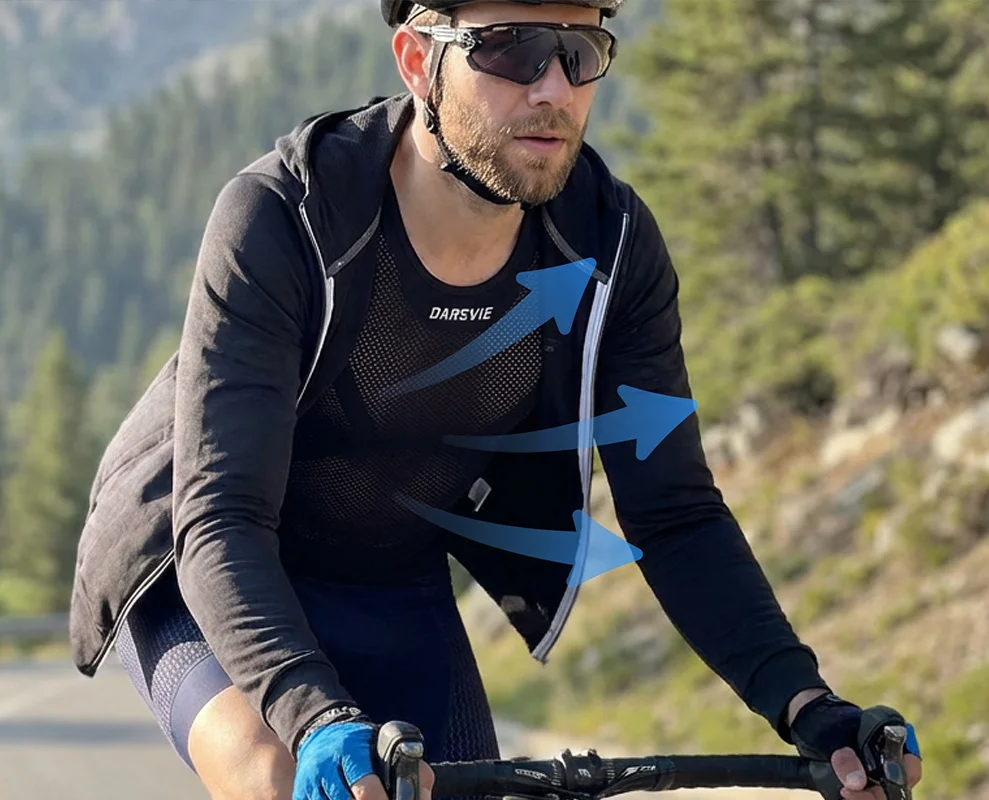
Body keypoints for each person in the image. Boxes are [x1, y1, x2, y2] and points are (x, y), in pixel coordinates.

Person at [66, 2, 925, 800]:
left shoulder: (612, 247)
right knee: (277, 772)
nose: (552, 88)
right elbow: (222, 514)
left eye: (579, 52)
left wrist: (806, 704)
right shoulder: (287, 217)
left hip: (390, 572)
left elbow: (675, 513)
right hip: (199, 560)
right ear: (417, 61)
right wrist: (314, 716)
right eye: (512, 49)